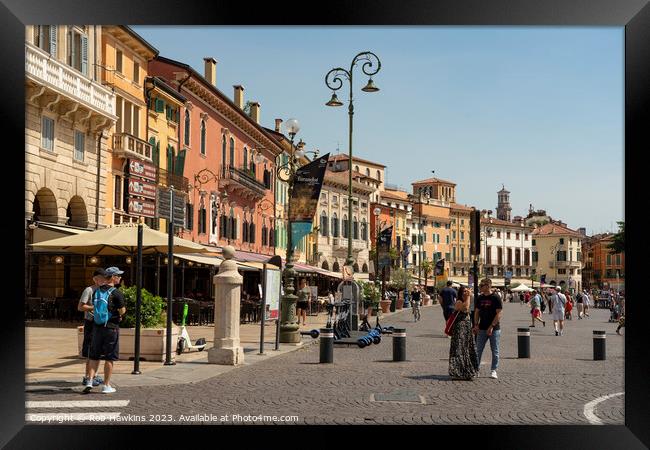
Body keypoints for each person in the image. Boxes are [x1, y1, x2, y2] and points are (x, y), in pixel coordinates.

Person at [83, 267, 126, 394]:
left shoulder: (96, 291)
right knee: (109, 357)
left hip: (96, 327)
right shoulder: (116, 293)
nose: (120, 277)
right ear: (112, 277)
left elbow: (94, 307)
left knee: (94, 356)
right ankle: (106, 385)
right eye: (118, 275)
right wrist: (119, 314)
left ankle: (89, 381)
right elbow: (122, 310)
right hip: (111, 328)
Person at [77, 268, 109, 387]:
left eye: (105, 278)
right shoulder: (89, 290)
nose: (104, 280)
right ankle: (87, 377)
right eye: (101, 278)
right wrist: (95, 308)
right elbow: (80, 307)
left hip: (100, 323)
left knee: (97, 350)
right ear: (95, 279)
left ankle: (94, 375)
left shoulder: (104, 290)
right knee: (91, 350)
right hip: (90, 322)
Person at [472, 278, 503, 379]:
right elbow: (476, 312)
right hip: (481, 328)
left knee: (495, 350)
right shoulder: (480, 298)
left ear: (488, 286)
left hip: (494, 329)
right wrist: (476, 324)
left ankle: (493, 370)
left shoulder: (496, 297)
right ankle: (476, 369)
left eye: (482, 285)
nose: (480, 287)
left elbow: (499, 314)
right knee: (478, 350)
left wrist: (491, 327)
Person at [448, 286, 479, 380]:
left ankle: (466, 371)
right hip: (459, 329)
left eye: (467, 291)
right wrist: (469, 296)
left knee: (466, 348)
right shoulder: (459, 302)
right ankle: (457, 372)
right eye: (464, 291)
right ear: (461, 293)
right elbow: (465, 308)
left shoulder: (467, 300)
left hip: (466, 328)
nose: (466, 292)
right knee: (459, 349)